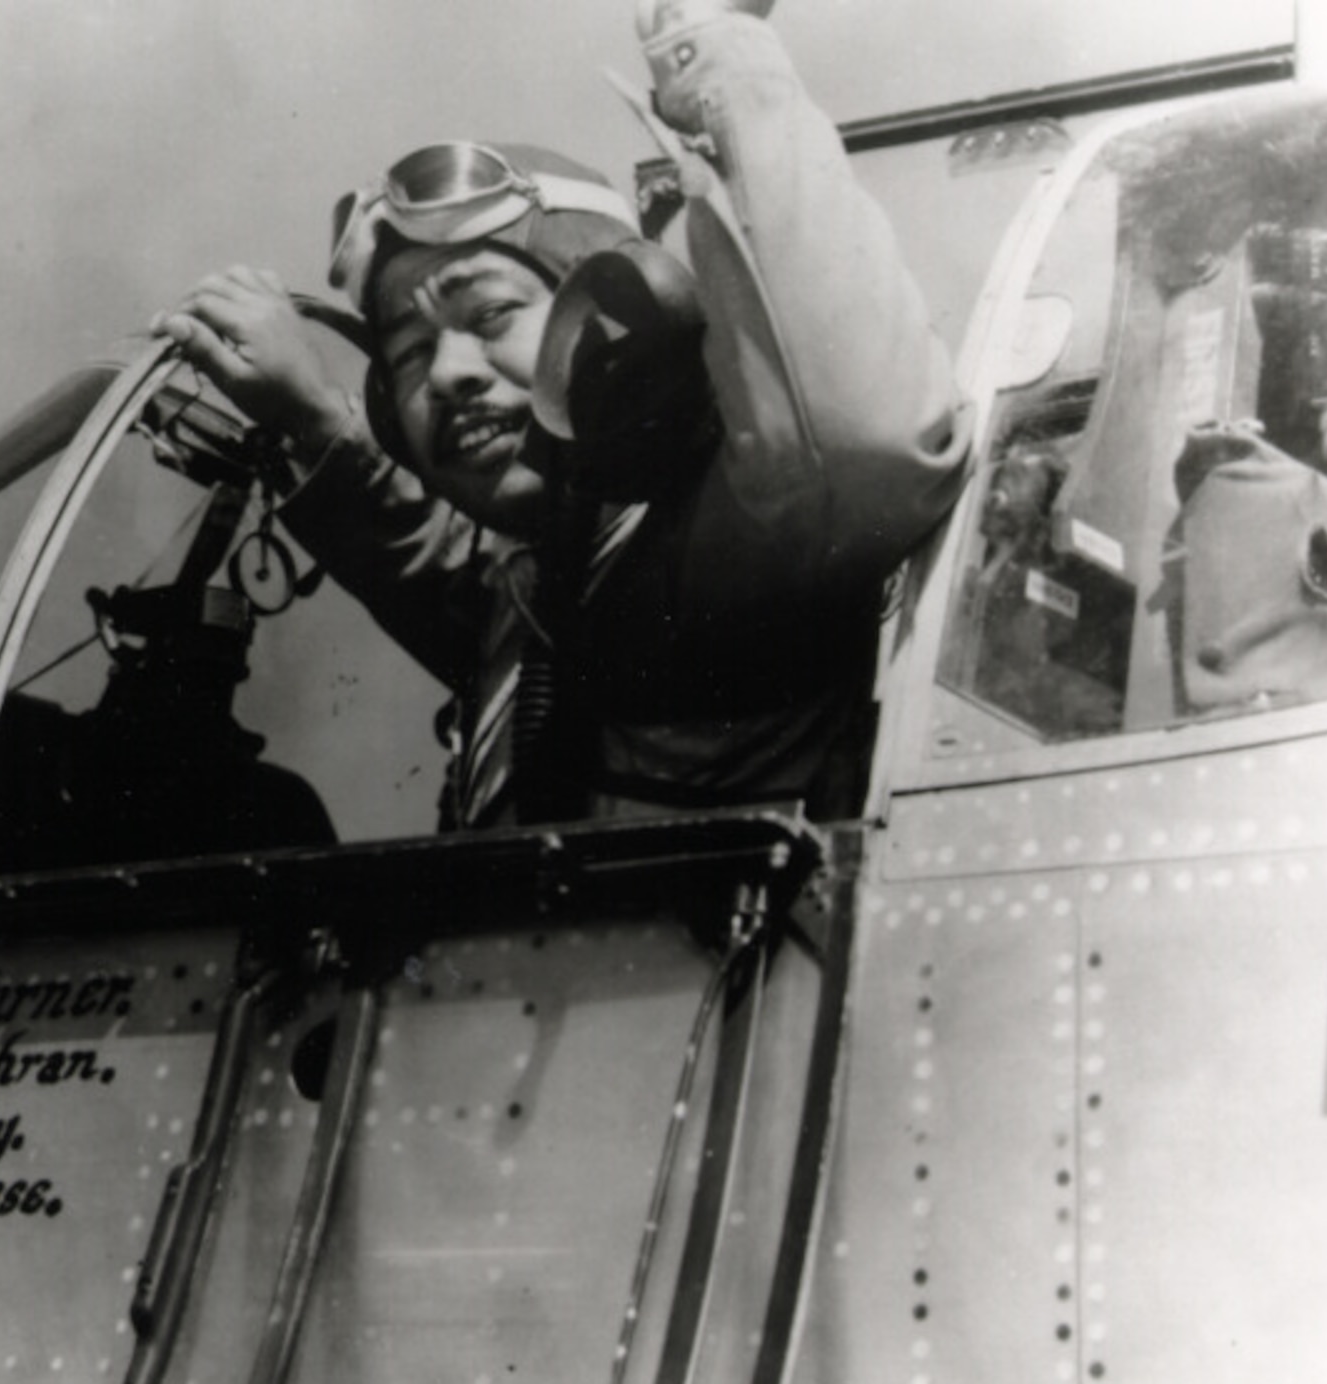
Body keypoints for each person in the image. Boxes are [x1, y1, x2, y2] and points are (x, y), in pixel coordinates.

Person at [152, 0, 970, 830]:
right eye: (406, 355)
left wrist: (726, 59)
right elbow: (435, 562)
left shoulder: (731, 549)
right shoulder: (540, 583)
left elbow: (852, 445)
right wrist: (315, 423)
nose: (447, 375)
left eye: (490, 315)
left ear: (615, 327)